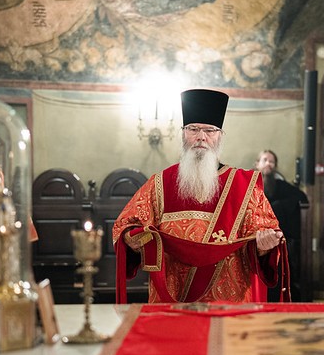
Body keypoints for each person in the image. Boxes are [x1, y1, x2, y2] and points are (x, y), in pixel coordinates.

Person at [112, 89, 289, 304]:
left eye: (210, 130)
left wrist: (263, 246)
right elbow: (125, 226)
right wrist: (133, 239)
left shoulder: (245, 186)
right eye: (193, 129)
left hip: (229, 304)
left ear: (220, 136)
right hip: (171, 300)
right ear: (183, 133)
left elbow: (265, 239)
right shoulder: (159, 184)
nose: (201, 137)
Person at [255, 150, 308, 302]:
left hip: (276, 237)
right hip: (254, 238)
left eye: (272, 161)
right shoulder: (249, 184)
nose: (268, 164)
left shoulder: (280, 186)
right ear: (257, 164)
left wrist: (276, 207)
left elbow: (301, 197)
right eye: (265, 160)